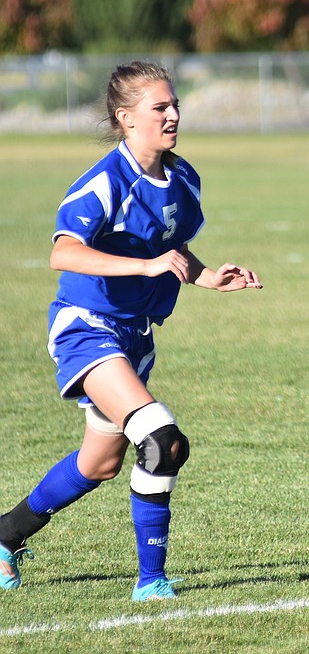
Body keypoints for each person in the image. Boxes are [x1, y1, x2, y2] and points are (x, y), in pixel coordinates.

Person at [0, 61, 262, 600]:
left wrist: (209, 276)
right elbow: (63, 251)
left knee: (99, 464)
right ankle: (151, 582)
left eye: (174, 104)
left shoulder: (183, 177)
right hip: (87, 327)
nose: (172, 114)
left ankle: (4, 534)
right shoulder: (104, 181)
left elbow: (169, 249)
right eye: (159, 107)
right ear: (125, 118)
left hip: (135, 337)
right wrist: (143, 268)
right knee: (162, 441)